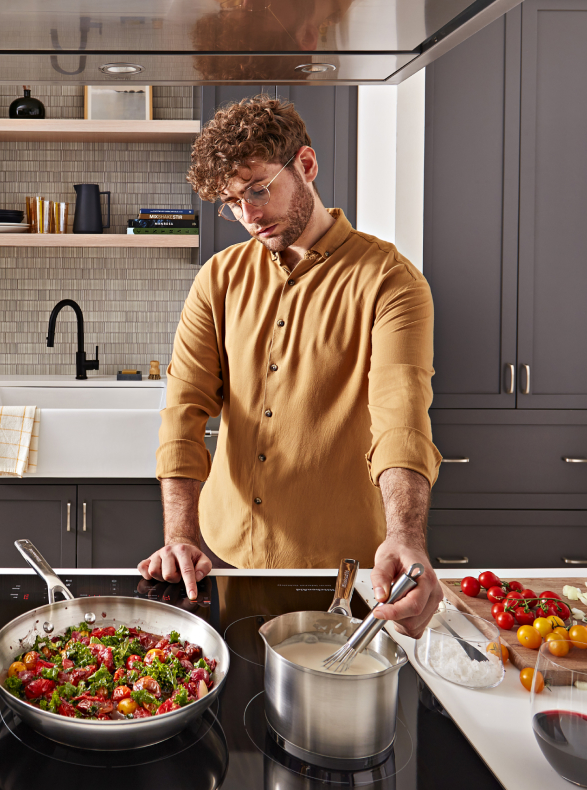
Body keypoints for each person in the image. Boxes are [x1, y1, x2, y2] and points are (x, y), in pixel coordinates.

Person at [138, 96, 443, 638]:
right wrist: (180, 534)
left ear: (305, 164)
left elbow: (401, 420)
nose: (249, 216)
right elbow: (184, 408)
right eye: (232, 203)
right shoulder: (218, 278)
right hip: (223, 557)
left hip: (341, 574)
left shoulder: (391, 282)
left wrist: (406, 535)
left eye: (258, 189)